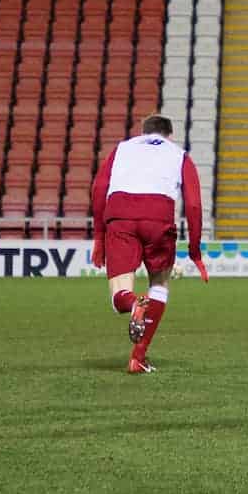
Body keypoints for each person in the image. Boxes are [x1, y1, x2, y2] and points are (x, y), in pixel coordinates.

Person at [91, 115, 208, 374]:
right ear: (170, 135)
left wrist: (99, 236)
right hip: (158, 216)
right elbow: (194, 204)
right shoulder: (179, 154)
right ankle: (138, 357)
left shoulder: (122, 148)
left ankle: (132, 302)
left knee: (118, 294)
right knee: (159, 284)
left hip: (120, 215)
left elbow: (99, 188)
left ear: (142, 133)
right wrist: (195, 251)